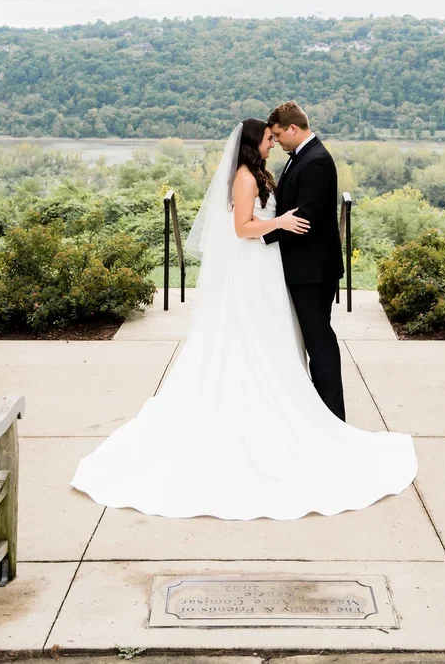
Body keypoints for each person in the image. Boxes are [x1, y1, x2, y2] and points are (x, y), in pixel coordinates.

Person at [70, 117, 417, 520]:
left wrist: (279, 223)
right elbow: (241, 228)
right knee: (250, 338)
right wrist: (280, 222)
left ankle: (302, 413)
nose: (273, 143)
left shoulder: (261, 172)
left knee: (276, 341)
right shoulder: (244, 177)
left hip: (268, 267)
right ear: (255, 142)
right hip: (253, 266)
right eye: (268, 139)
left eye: (276, 136)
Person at [262, 101, 346, 418]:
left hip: (312, 272)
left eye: (280, 134)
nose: (278, 141)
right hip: (305, 269)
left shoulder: (316, 162)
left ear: (294, 129)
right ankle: (321, 414)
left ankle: (333, 418)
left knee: (319, 343)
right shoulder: (302, 156)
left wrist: (260, 236)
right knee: (314, 341)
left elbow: (304, 220)